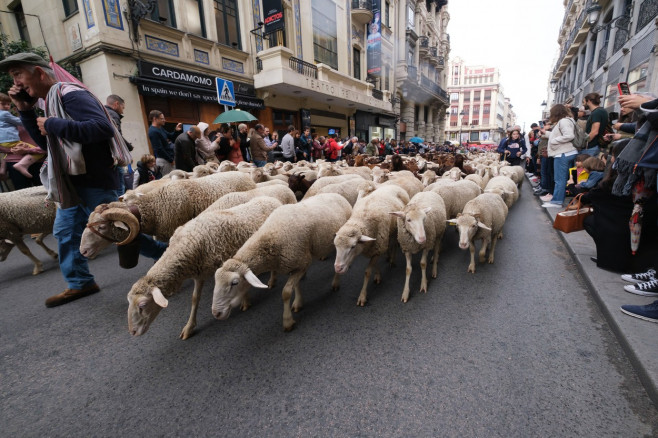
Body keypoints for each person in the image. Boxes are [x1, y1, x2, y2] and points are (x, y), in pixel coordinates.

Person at [0, 52, 120, 307]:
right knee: (64, 231)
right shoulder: (47, 103)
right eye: (13, 77)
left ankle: (172, 256)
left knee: (117, 229)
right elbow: (46, 141)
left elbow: (102, 128)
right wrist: (25, 110)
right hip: (71, 181)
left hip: (93, 179)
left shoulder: (69, 94)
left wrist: (53, 124)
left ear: (40, 73)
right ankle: (80, 282)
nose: (17, 83)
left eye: (18, 74)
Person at [0, 92, 43, 179]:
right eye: (3, 104)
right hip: (14, 159)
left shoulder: (8, 119)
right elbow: (23, 122)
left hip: (36, 162)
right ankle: (21, 165)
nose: (7, 106)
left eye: (8, 104)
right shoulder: (7, 116)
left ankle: (3, 169)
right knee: (38, 151)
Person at [542, 104, 577, 208]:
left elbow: (569, 136)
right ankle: (556, 200)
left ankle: (557, 202)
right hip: (566, 152)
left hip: (563, 153)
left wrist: (553, 141)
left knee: (559, 179)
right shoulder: (567, 121)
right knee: (562, 179)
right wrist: (546, 133)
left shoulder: (564, 121)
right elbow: (561, 135)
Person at [105, 94, 134, 196]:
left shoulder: (104, 112)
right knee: (120, 187)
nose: (123, 111)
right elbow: (117, 136)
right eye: (123, 107)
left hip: (108, 158)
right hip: (114, 158)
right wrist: (128, 148)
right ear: (116, 104)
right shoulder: (113, 114)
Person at [148, 110, 181, 176]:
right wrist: (170, 160)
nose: (164, 120)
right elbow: (159, 149)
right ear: (155, 119)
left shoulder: (160, 128)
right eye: (162, 118)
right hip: (164, 160)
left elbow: (170, 136)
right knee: (168, 180)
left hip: (169, 158)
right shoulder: (153, 131)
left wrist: (176, 130)